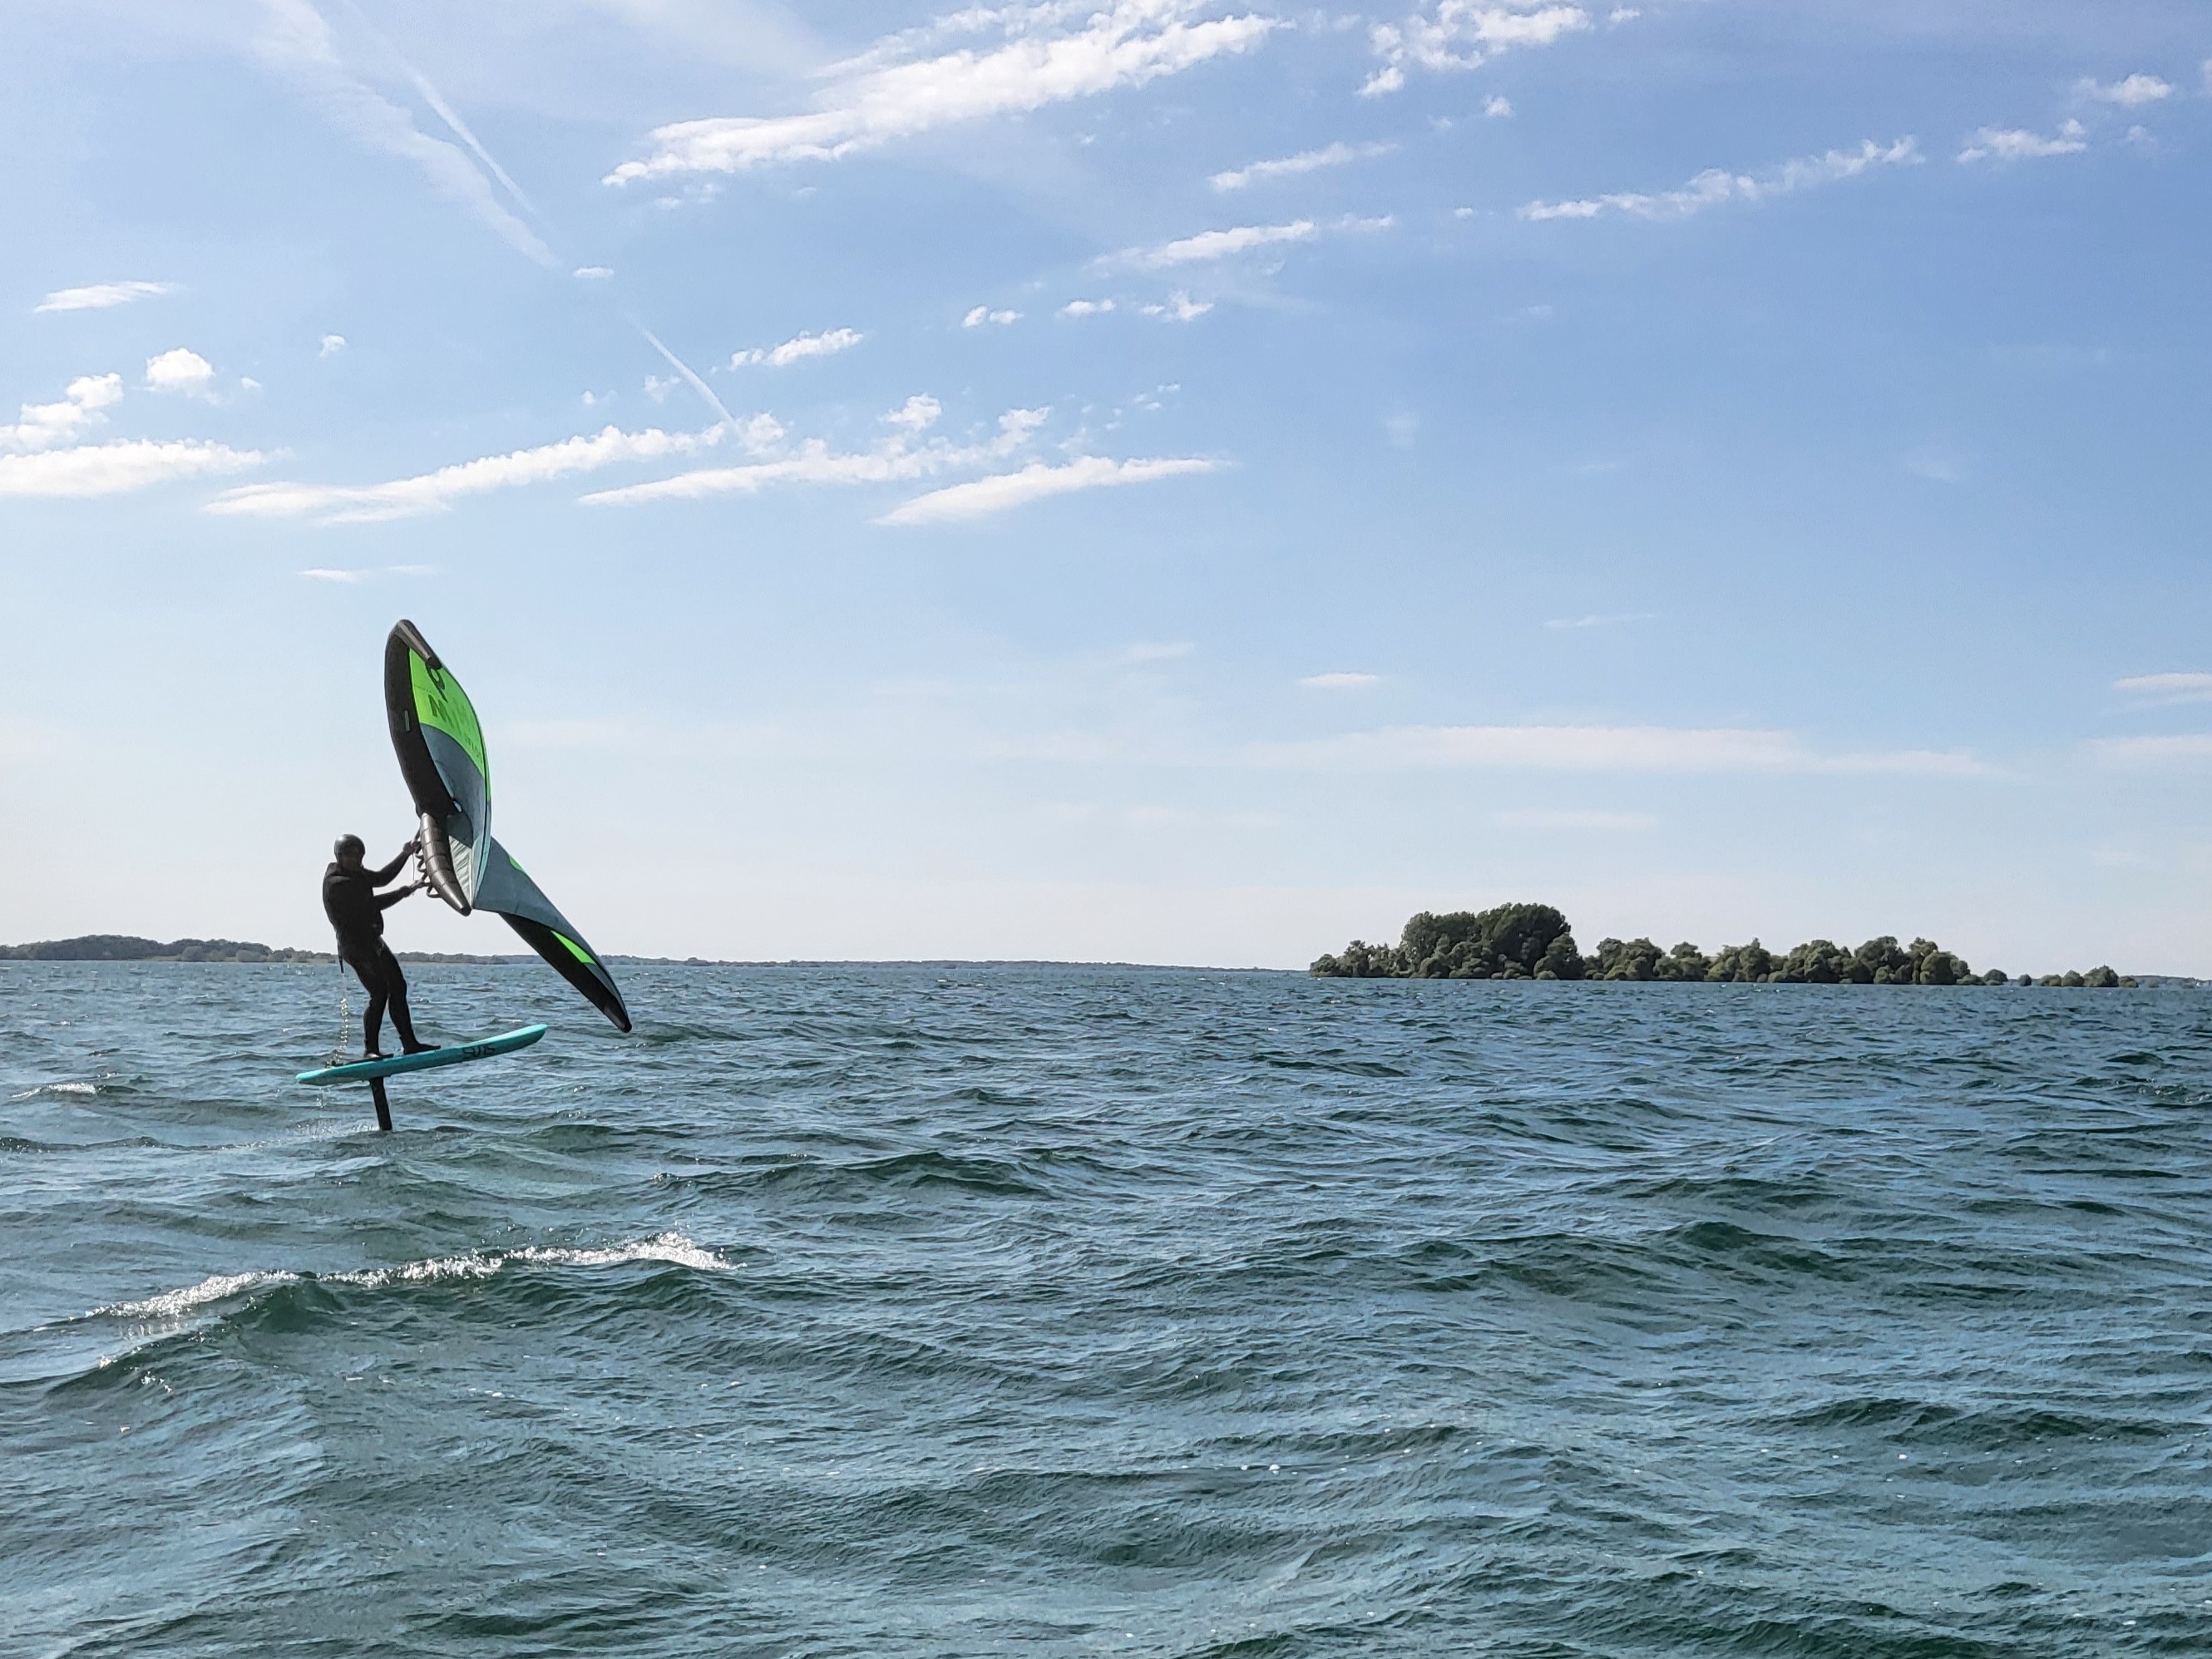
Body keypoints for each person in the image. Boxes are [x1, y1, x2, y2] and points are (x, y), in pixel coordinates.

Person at [323, 833, 433, 1059]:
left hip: (373, 941)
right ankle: (370, 1050)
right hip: (355, 947)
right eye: (353, 857)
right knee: (379, 992)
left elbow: (382, 878)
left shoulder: (356, 872)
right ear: (340, 856)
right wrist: (404, 892)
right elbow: (372, 904)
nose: (358, 861)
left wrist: (405, 854)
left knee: (398, 986)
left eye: (361, 856)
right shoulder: (337, 883)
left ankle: (410, 1043)